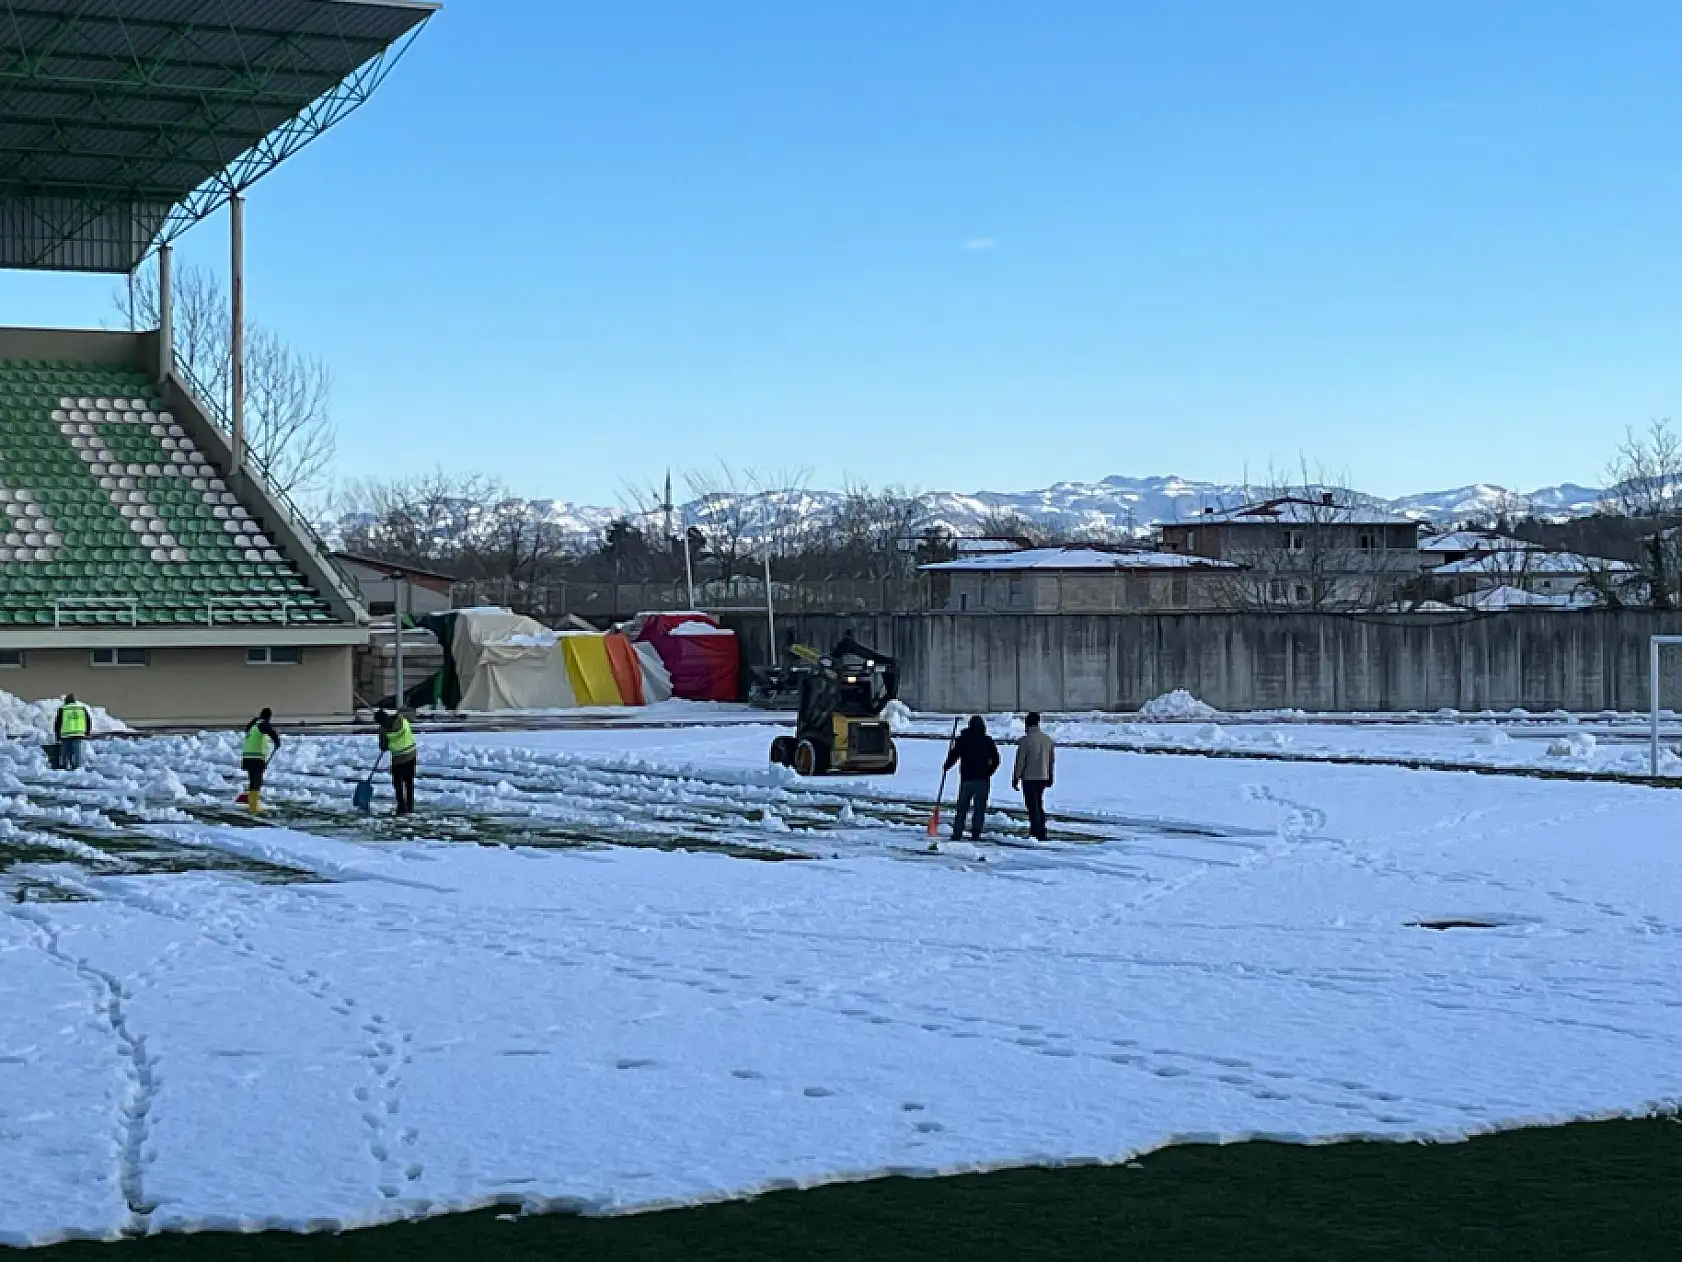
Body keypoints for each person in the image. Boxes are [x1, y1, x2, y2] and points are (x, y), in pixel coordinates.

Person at [943, 715, 1000, 841]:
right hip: (982, 780)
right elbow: (996, 759)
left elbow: (954, 755)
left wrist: (947, 765)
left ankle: (957, 832)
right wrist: (989, 772)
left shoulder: (963, 740)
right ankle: (976, 832)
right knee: (979, 808)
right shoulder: (987, 741)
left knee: (962, 807)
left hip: (967, 779)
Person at [1012, 712, 1056, 841]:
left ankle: (1036, 830)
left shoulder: (1025, 741)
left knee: (1032, 805)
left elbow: (1020, 761)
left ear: (1027, 723)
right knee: (1039, 803)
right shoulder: (1047, 740)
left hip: (1029, 777)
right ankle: (1041, 828)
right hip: (1043, 776)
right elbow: (1051, 761)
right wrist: (1050, 775)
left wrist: (1016, 777)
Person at [377, 708, 418, 816]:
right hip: (411, 754)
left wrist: (385, 742)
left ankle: (402, 807)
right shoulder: (403, 720)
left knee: (398, 783)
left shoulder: (383, 730)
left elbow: (383, 747)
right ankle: (410, 806)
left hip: (399, 758)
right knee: (409, 782)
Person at [241, 707, 282, 814]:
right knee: (257, 781)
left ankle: (251, 801)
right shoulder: (262, 724)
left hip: (247, 757)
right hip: (256, 757)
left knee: (253, 780)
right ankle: (254, 807)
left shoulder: (253, 725)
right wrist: (277, 741)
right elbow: (270, 730)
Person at [54, 693, 92, 771]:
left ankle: (63, 768)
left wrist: (57, 735)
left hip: (66, 735)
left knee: (65, 753)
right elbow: (88, 720)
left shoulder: (63, 709)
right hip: (78, 734)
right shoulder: (82, 709)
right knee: (77, 753)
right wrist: (87, 732)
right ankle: (77, 769)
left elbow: (58, 723)